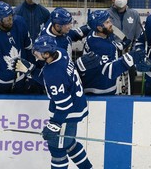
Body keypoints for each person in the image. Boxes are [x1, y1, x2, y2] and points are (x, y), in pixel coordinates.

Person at [14, 35, 93, 169]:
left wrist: (54, 125)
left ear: (46, 54)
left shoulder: (54, 74)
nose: (34, 53)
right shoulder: (60, 53)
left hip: (68, 113)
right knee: (69, 144)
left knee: (57, 149)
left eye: (37, 51)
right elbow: (47, 78)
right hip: (77, 105)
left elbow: (64, 105)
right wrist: (31, 70)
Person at [81, 10, 149, 96]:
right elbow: (109, 71)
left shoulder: (97, 33)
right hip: (99, 90)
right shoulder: (99, 46)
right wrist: (130, 58)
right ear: (99, 27)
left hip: (95, 82)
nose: (111, 24)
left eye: (110, 20)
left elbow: (112, 41)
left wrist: (123, 43)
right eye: (107, 22)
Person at [107, 0, 142, 94]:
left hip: (129, 57)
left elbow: (138, 38)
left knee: (129, 90)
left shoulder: (134, 14)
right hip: (111, 58)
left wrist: (136, 56)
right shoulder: (105, 15)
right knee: (111, 88)